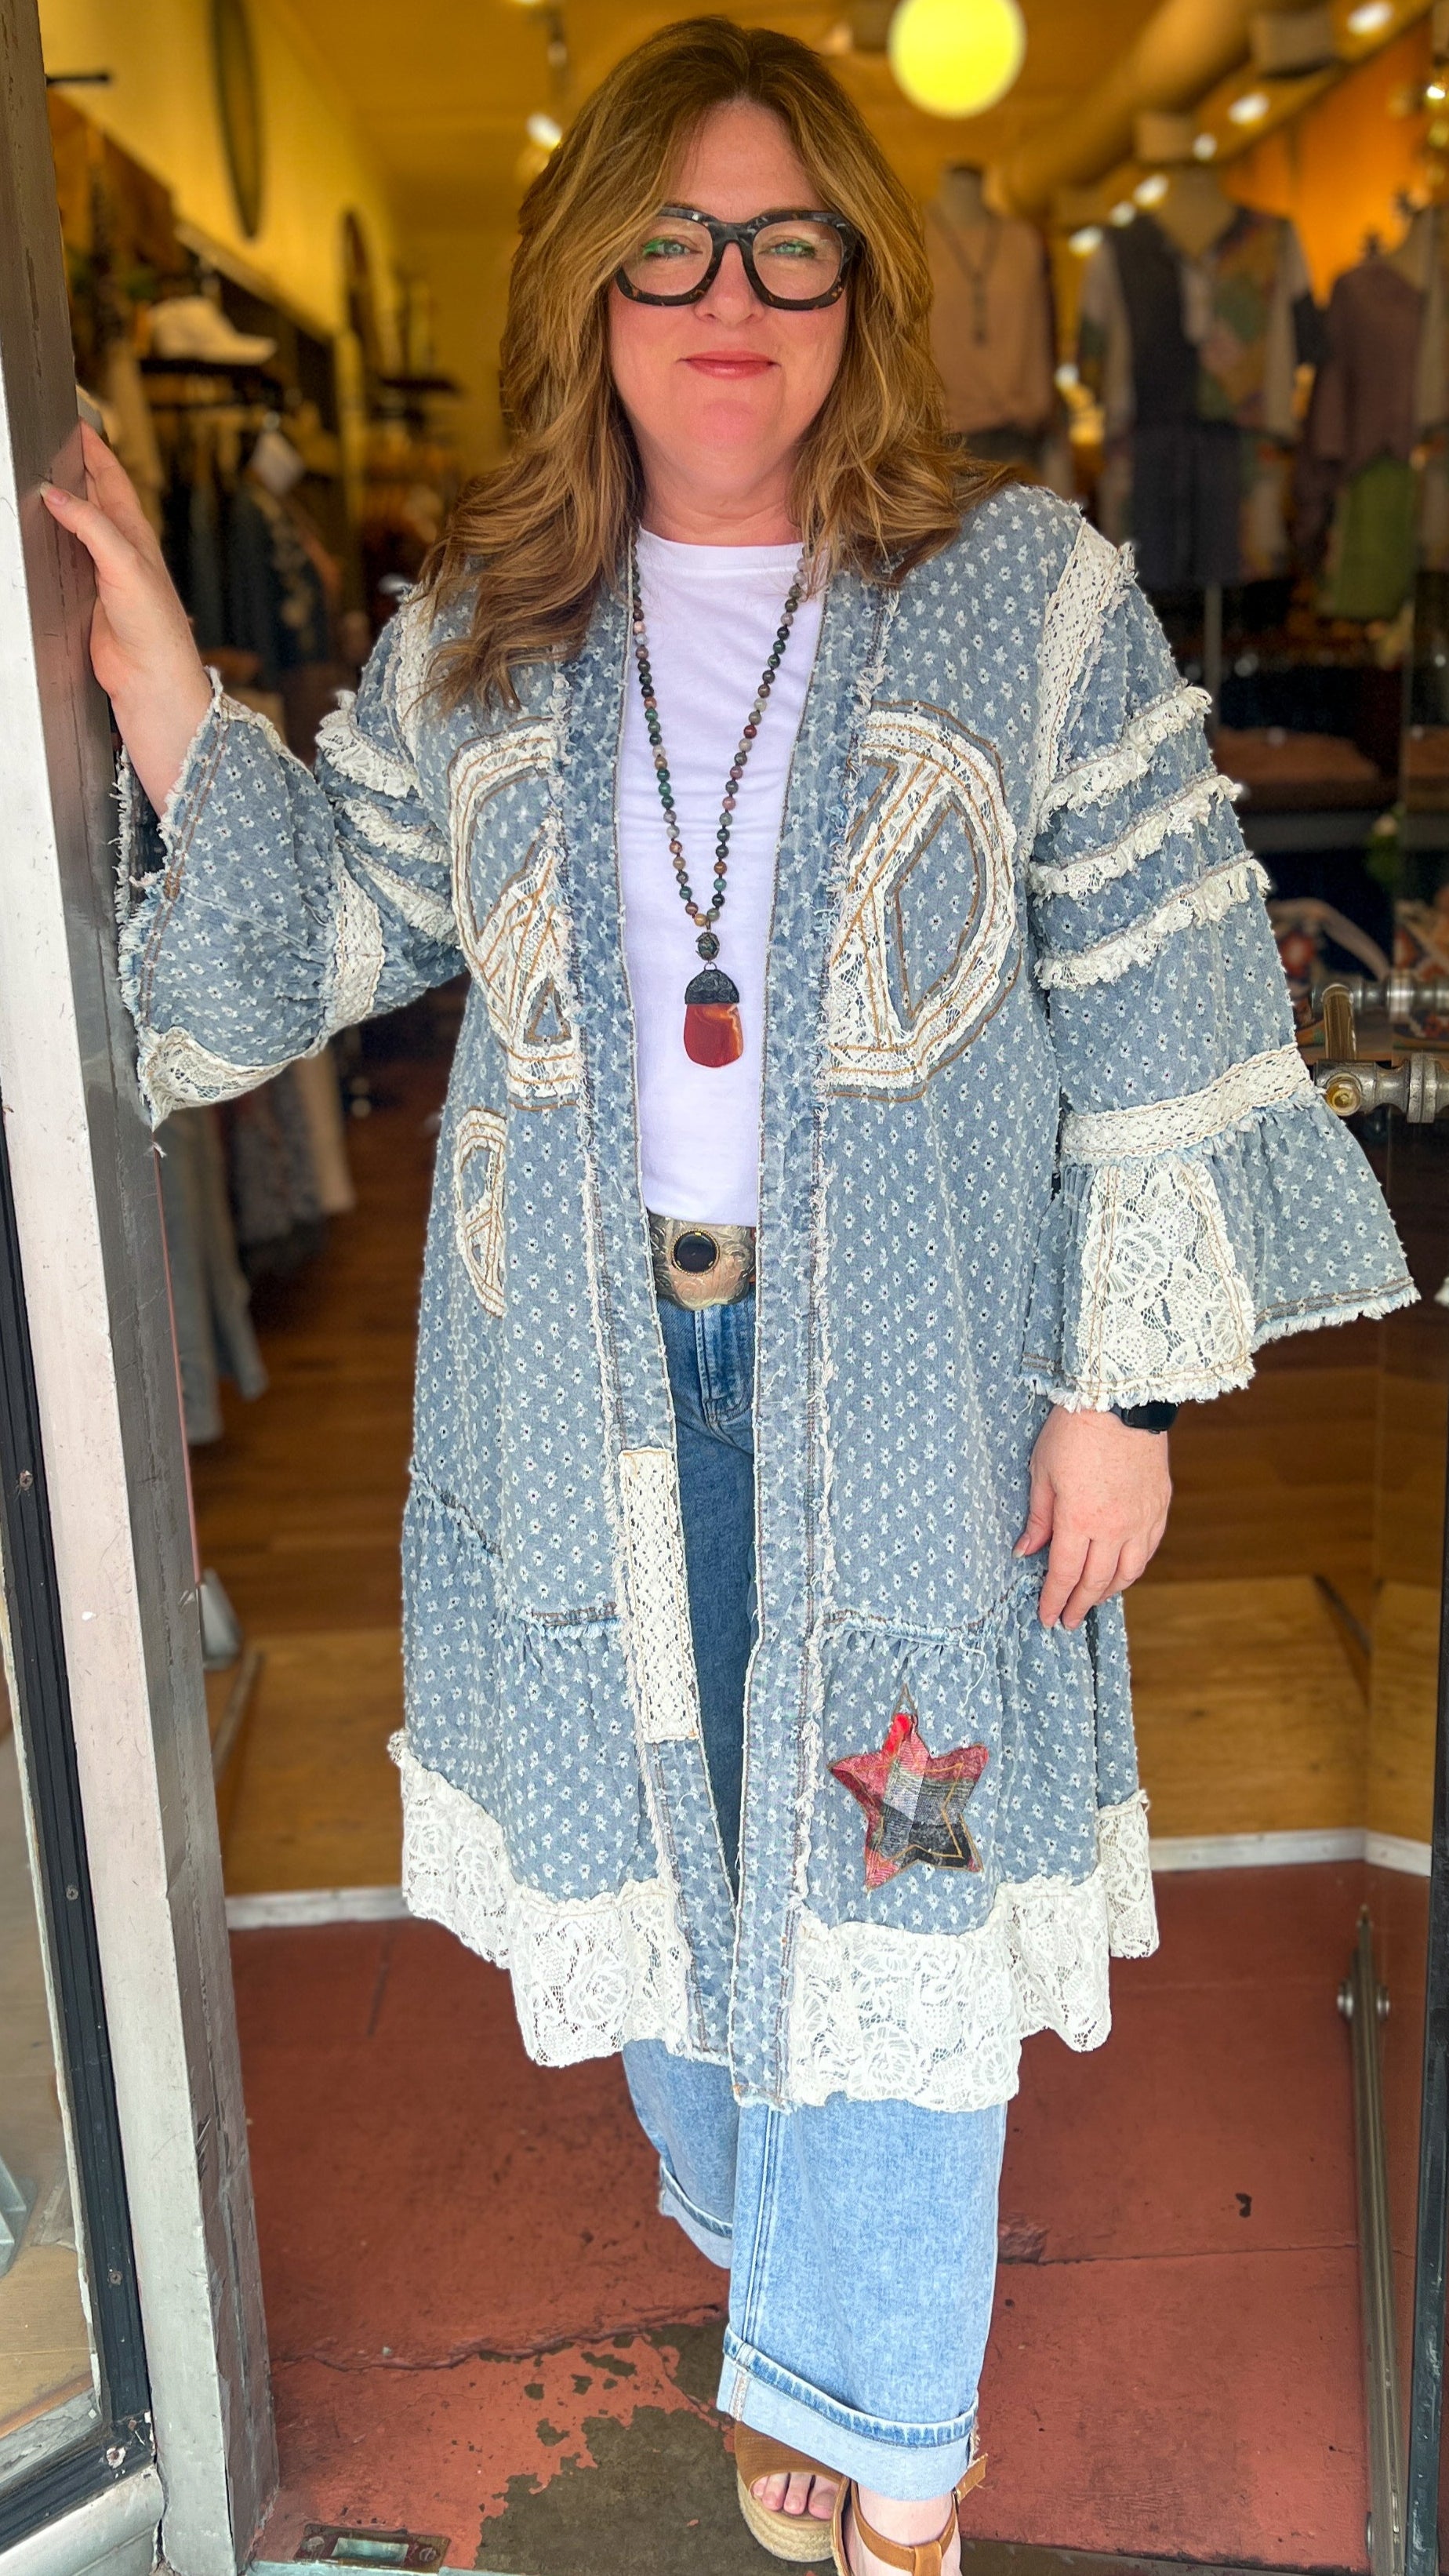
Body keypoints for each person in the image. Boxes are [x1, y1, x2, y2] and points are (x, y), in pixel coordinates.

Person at [42, 20, 1411, 2573]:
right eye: (669, 243)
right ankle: (802, 2306)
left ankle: (895, 2447)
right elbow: (316, 939)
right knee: (667, 1893)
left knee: (895, 1876)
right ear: (589, 292)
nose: (729, 299)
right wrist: (153, 691)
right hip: (584, 1392)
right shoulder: (488, 630)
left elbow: (1165, 1005)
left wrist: (1120, 1393)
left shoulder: (1028, 606)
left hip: (909, 1389)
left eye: (790, 245)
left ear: (863, 289)